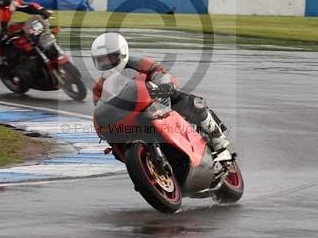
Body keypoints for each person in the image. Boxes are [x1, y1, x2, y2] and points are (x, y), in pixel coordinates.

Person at [90, 32, 232, 160]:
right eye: (101, 60)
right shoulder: (99, 87)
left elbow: (160, 73)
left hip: (158, 101)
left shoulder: (139, 63)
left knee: (192, 103)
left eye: (110, 58)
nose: (106, 63)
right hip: (131, 117)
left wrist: (166, 85)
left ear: (122, 53)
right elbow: (102, 108)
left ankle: (218, 140)